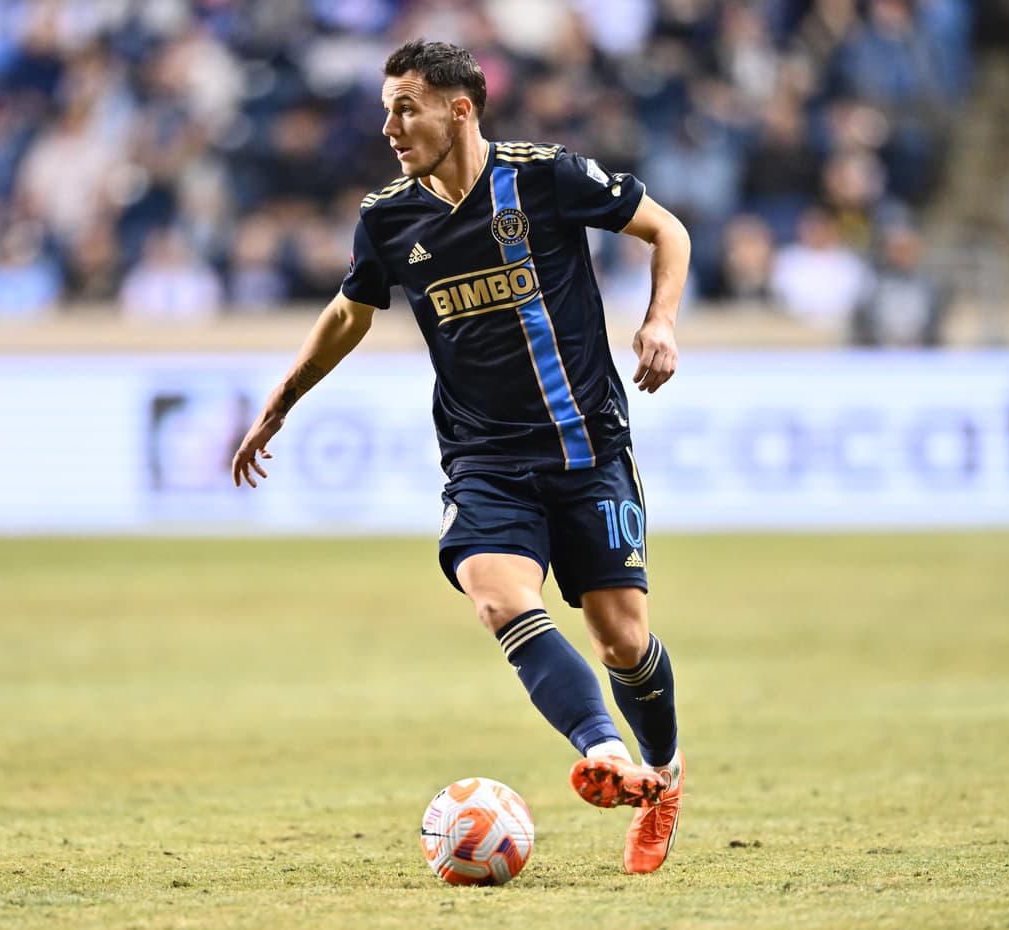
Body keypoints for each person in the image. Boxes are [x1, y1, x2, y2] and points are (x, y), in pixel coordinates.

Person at [230, 39, 691, 875]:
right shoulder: (389, 216)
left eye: (405, 108)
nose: (390, 126)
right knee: (497, 597)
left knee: (622, 639)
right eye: (385, 110)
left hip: (589, 449)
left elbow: (668, 230)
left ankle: (662, 772)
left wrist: (660, 322)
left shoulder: (545, 176)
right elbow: (349, 313)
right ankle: (604, 752)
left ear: (460, 109)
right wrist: (281, 400)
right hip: (484, 461)